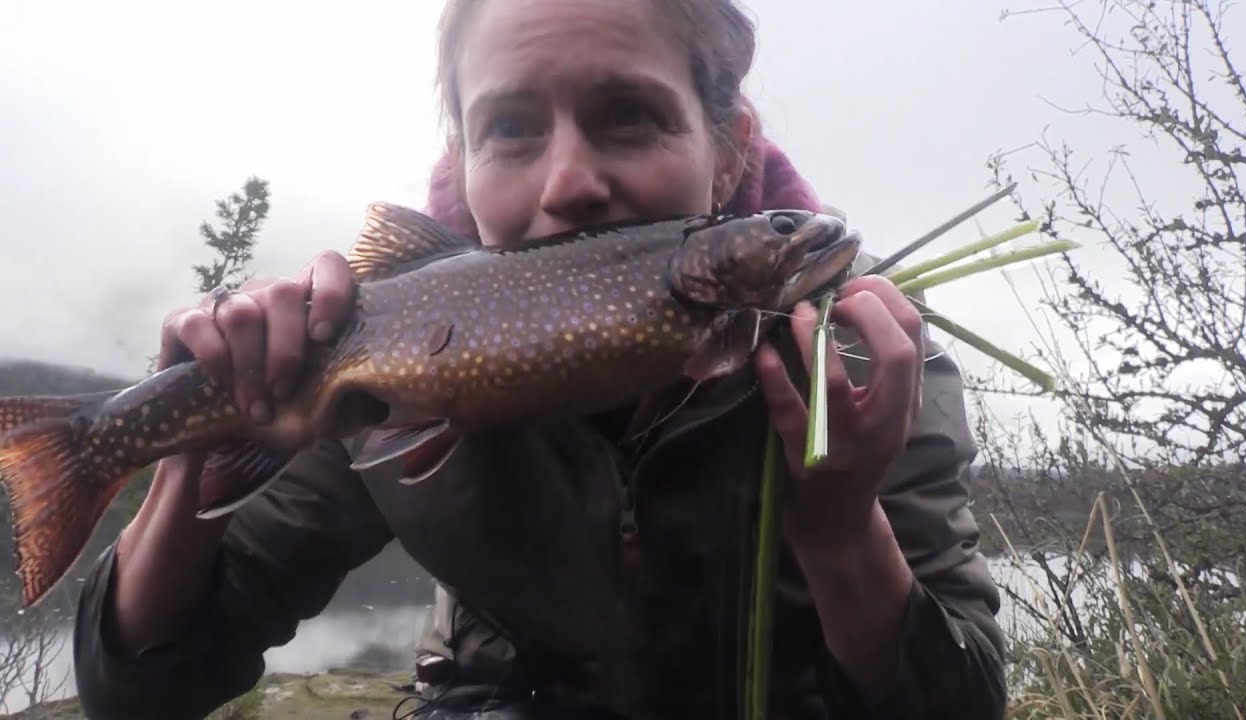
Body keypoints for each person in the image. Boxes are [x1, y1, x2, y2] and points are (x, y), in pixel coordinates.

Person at [71, 1, 1007, 718]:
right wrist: (192, 444)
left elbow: (962, 701)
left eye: (629, 115)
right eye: (512, 128)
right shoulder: (388, 343)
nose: (569, 182)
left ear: (730, 155)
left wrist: (842, 531)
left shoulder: (861, 356)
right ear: (463, 161)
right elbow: (139, 692)